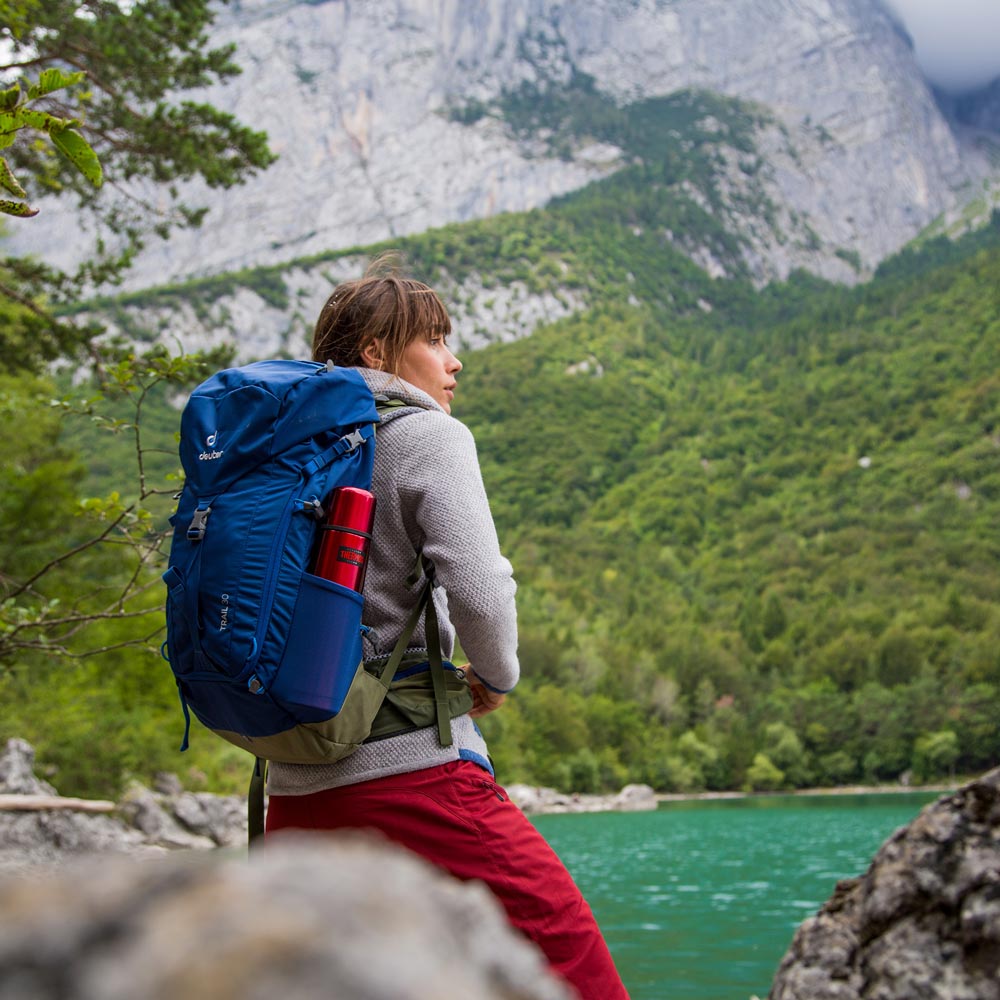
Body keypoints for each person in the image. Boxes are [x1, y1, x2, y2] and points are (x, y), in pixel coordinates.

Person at [265, 253, 630, 999]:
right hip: (413, 771)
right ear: (376, 353)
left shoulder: (284, 450)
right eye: (435, 340)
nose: (453, 361)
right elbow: (481, 588)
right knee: (572, 960)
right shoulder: (428, 435)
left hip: (294, 784)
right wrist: (495, 677)